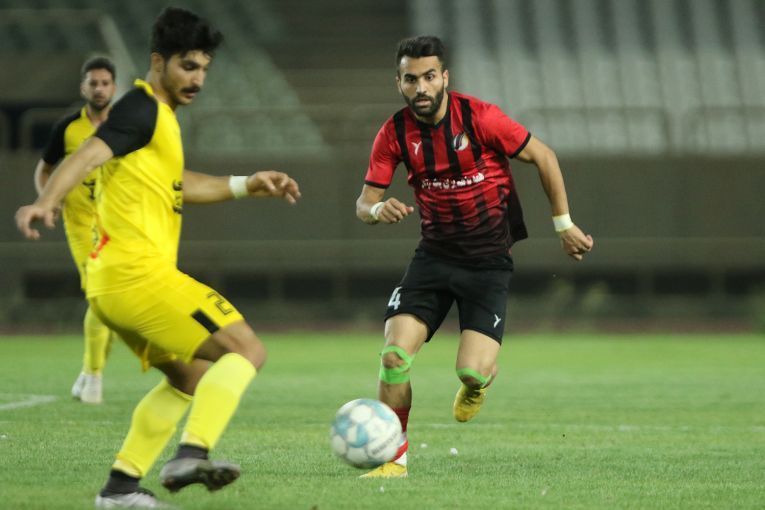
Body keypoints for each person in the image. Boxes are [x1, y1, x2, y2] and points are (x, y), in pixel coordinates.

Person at [16, 7, 300, 508]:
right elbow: (87, 154)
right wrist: (47, 201)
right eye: (188, 66)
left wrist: (245, 184)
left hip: (111, 286)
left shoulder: (158, 120)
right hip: (138, 276)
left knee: (189, 378)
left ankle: (120, 489)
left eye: (204, 68)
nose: (198, 79)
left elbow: (178, 183)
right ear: (157, 61)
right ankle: (191, 454)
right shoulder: (141, 107)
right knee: (246, 350)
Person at [355, 36, 594, 478]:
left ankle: (479, 383)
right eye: (411, 79)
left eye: (429, 77)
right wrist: (376, 210)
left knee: (471, 372)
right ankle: (393, 459)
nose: (421, 87)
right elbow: (364, 203)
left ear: (444, 77)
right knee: (393, 357)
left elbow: (544, 156)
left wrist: (563, 225)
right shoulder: (394, 133)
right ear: (399, 83)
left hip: (487, 264)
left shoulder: (479, 117)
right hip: (432, 259)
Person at [34, 56, 118, 405]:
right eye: (93, 83)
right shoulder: (68, 128)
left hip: (118, 224)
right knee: (100, 295)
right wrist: (48, 201)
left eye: (104, 83)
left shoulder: (125, 126)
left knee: (114, 303)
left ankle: (88, 372)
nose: (99, 89)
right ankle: (94, 377)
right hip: (81, 224)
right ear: (83, 87)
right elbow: (44, 169)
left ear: (114, 87)